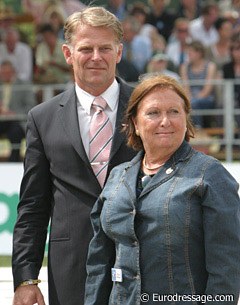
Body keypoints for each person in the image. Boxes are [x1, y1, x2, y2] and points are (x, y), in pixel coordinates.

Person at [12, 6, 136, 305]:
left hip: (141, 260)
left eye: (105, 48)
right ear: (68, 53)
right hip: (69, 267)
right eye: (86, 48)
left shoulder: (146, 107)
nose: (96, 56)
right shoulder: (42, 118)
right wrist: (26, 278)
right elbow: (33, 205)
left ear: (118, 53)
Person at [84, 75, 240, 305]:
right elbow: (99, 262)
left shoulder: (210, 174)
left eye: (174, 112)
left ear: (186, 119)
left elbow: (226, 267)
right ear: (136, 124)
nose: (165, 121)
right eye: (154, 113)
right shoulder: (118, 176)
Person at [0, 60, 36, 161]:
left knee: (15, 132)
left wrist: (14, 113)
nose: (5, 75)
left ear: (13, 72)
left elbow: (31, 105)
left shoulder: (24, 84)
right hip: (1, 119)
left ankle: (13, 161)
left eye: (7, 72)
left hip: (17, 120)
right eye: (2, 73)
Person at [179, 40, 217, 128]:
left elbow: (207, 89)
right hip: (190, 99)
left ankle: (198, 129)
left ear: (199, 53)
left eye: (191, 52)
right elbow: (186, 87)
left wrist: (192, 101)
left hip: (207, 99)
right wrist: (190, 99)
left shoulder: (210, 66)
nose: (188, 55)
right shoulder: (184, 67)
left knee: (193, 104)